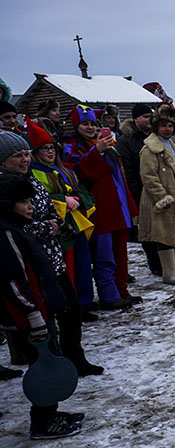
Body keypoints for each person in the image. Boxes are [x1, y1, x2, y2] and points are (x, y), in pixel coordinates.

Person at [1, 130, 101, 376]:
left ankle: (75, 360)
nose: (24, 160)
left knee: (71, 311)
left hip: (52, 259)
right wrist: (48, 226)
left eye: (26, 154)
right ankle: (54, 374)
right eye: (17, 156)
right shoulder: (4, 188)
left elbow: (49, 208)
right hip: (31, 268)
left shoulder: (32, 179)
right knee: (46, 325)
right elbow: (13, 229)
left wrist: (56, 220)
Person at [0, 174, 85, 439]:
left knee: (50, 356)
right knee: (43, 365)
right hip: (29, 317)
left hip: (40, 311)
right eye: (24, 202)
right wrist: (33, 314)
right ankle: (43, 421)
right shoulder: (6, 234)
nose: (31, 206)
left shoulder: (16, 229)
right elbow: (15, 280)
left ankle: (50, 412)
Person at [26, 117, 100, 326]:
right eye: (44, 149)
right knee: (67, 268)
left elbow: (81, 190)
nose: (50, 152)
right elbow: (38, 200)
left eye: (52, 148)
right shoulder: (33, 173)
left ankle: (84, 303)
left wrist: (80, 200)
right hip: (57, 229)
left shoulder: (65, 170)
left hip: (76, 224)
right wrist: (62, 201)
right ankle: (71, 306)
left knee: (83, 265)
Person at [64, 106, 139, 309]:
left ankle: (121, 289)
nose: (89, 128)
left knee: (120, 254)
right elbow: (80, 174)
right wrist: (96, 151)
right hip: (98, 210)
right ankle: (109, 295)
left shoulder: (108, 145)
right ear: (76, 126)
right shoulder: (71, 147)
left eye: (92, 124)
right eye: (84, 124)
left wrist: (130, 208)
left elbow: (118, 176)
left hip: (117, 205)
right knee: (104, 255)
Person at [139, 107, 175, 286]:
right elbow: (148, 176)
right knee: (165, 235)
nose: (167, 129)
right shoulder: (150, 149)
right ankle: (169, 272)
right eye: (163, 125)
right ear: (156, 127)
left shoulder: (173, 147)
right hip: (162, 200)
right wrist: (161, 196)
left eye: (170, 125)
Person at [116, 103, 162, 277]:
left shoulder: (155, 136)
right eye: (145, 116)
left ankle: (166, 260)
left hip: (158, 189)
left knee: (162, 227)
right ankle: (155, 263)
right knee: (147, 230)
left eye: (150, 115)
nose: (149, 119)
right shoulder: (126, 140)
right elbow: (126, 170)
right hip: (139, 192)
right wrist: (136, 194)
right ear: (135, 119)